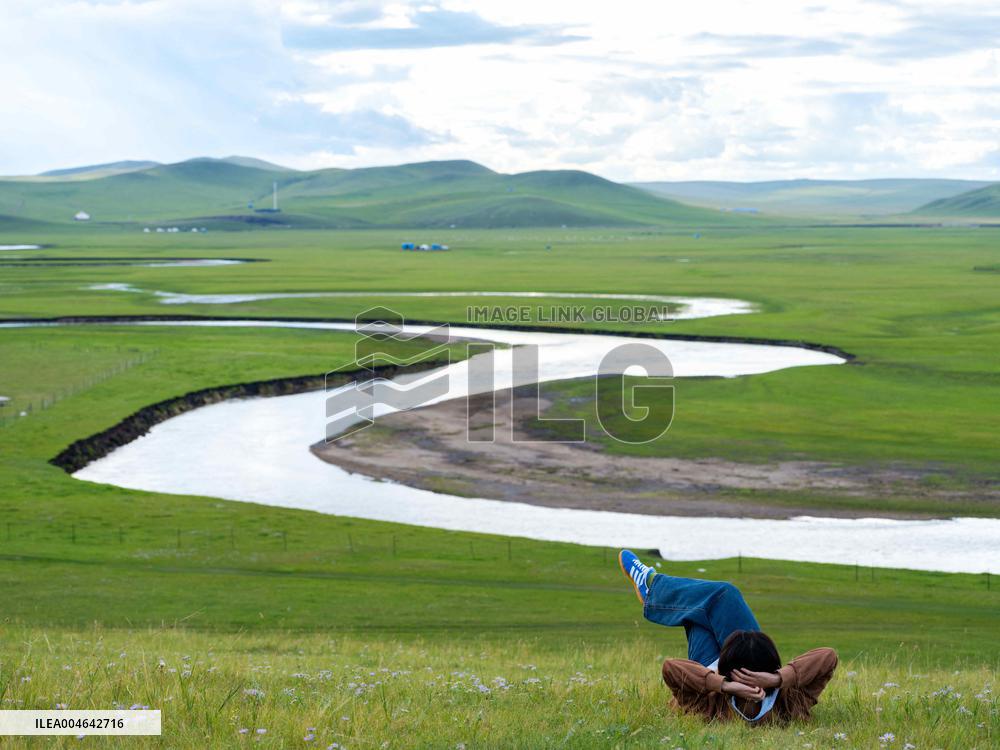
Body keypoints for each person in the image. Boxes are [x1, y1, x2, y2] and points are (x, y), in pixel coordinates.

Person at [618, 549, 838, 724]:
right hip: (744, 658)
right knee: (711, 603)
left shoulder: (709, 707)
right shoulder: (788, 704)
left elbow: (671, 667)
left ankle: (652, 588)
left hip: (708, 670)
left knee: (714, 601)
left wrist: (722, 685)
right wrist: (777, 679)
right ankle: (652, 588)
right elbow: (828, 656)